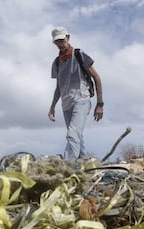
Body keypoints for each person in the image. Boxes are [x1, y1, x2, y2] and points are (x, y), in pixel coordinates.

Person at [48, 26, 104, 161]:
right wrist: (52, 107)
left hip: (82, 99)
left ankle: (68, 167)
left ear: (68, 37)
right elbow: (58, 88)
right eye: (57, 41)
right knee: (77, 136)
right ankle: (84, 162)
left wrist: (100, 104)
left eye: (62, 40)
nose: (60, 44)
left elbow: (97, 77)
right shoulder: (56, 63)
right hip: (66, 104)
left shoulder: (79, 55)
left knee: (72, 134)